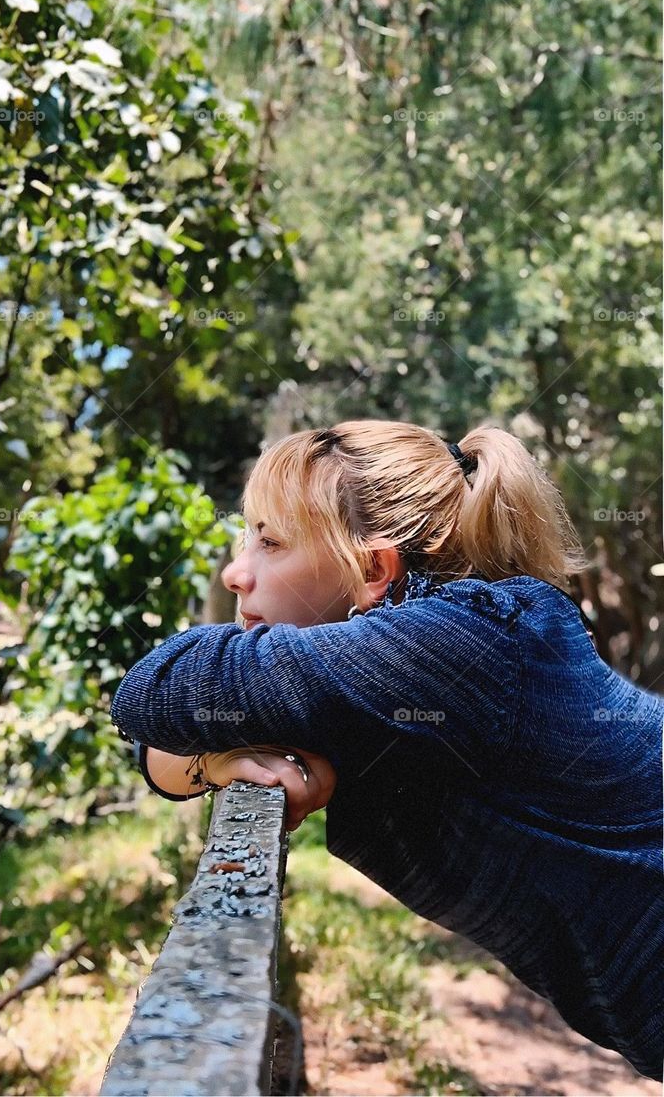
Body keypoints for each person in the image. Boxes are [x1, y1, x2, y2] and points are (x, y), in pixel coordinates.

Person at [110, 421, 664, 1082]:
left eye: (270, 542)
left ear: (373, 570)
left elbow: (156, 687)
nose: (236, 572)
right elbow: (157, 742)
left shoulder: (460, 644)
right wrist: (217, 760)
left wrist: (211, 745)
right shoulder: (386, 668)